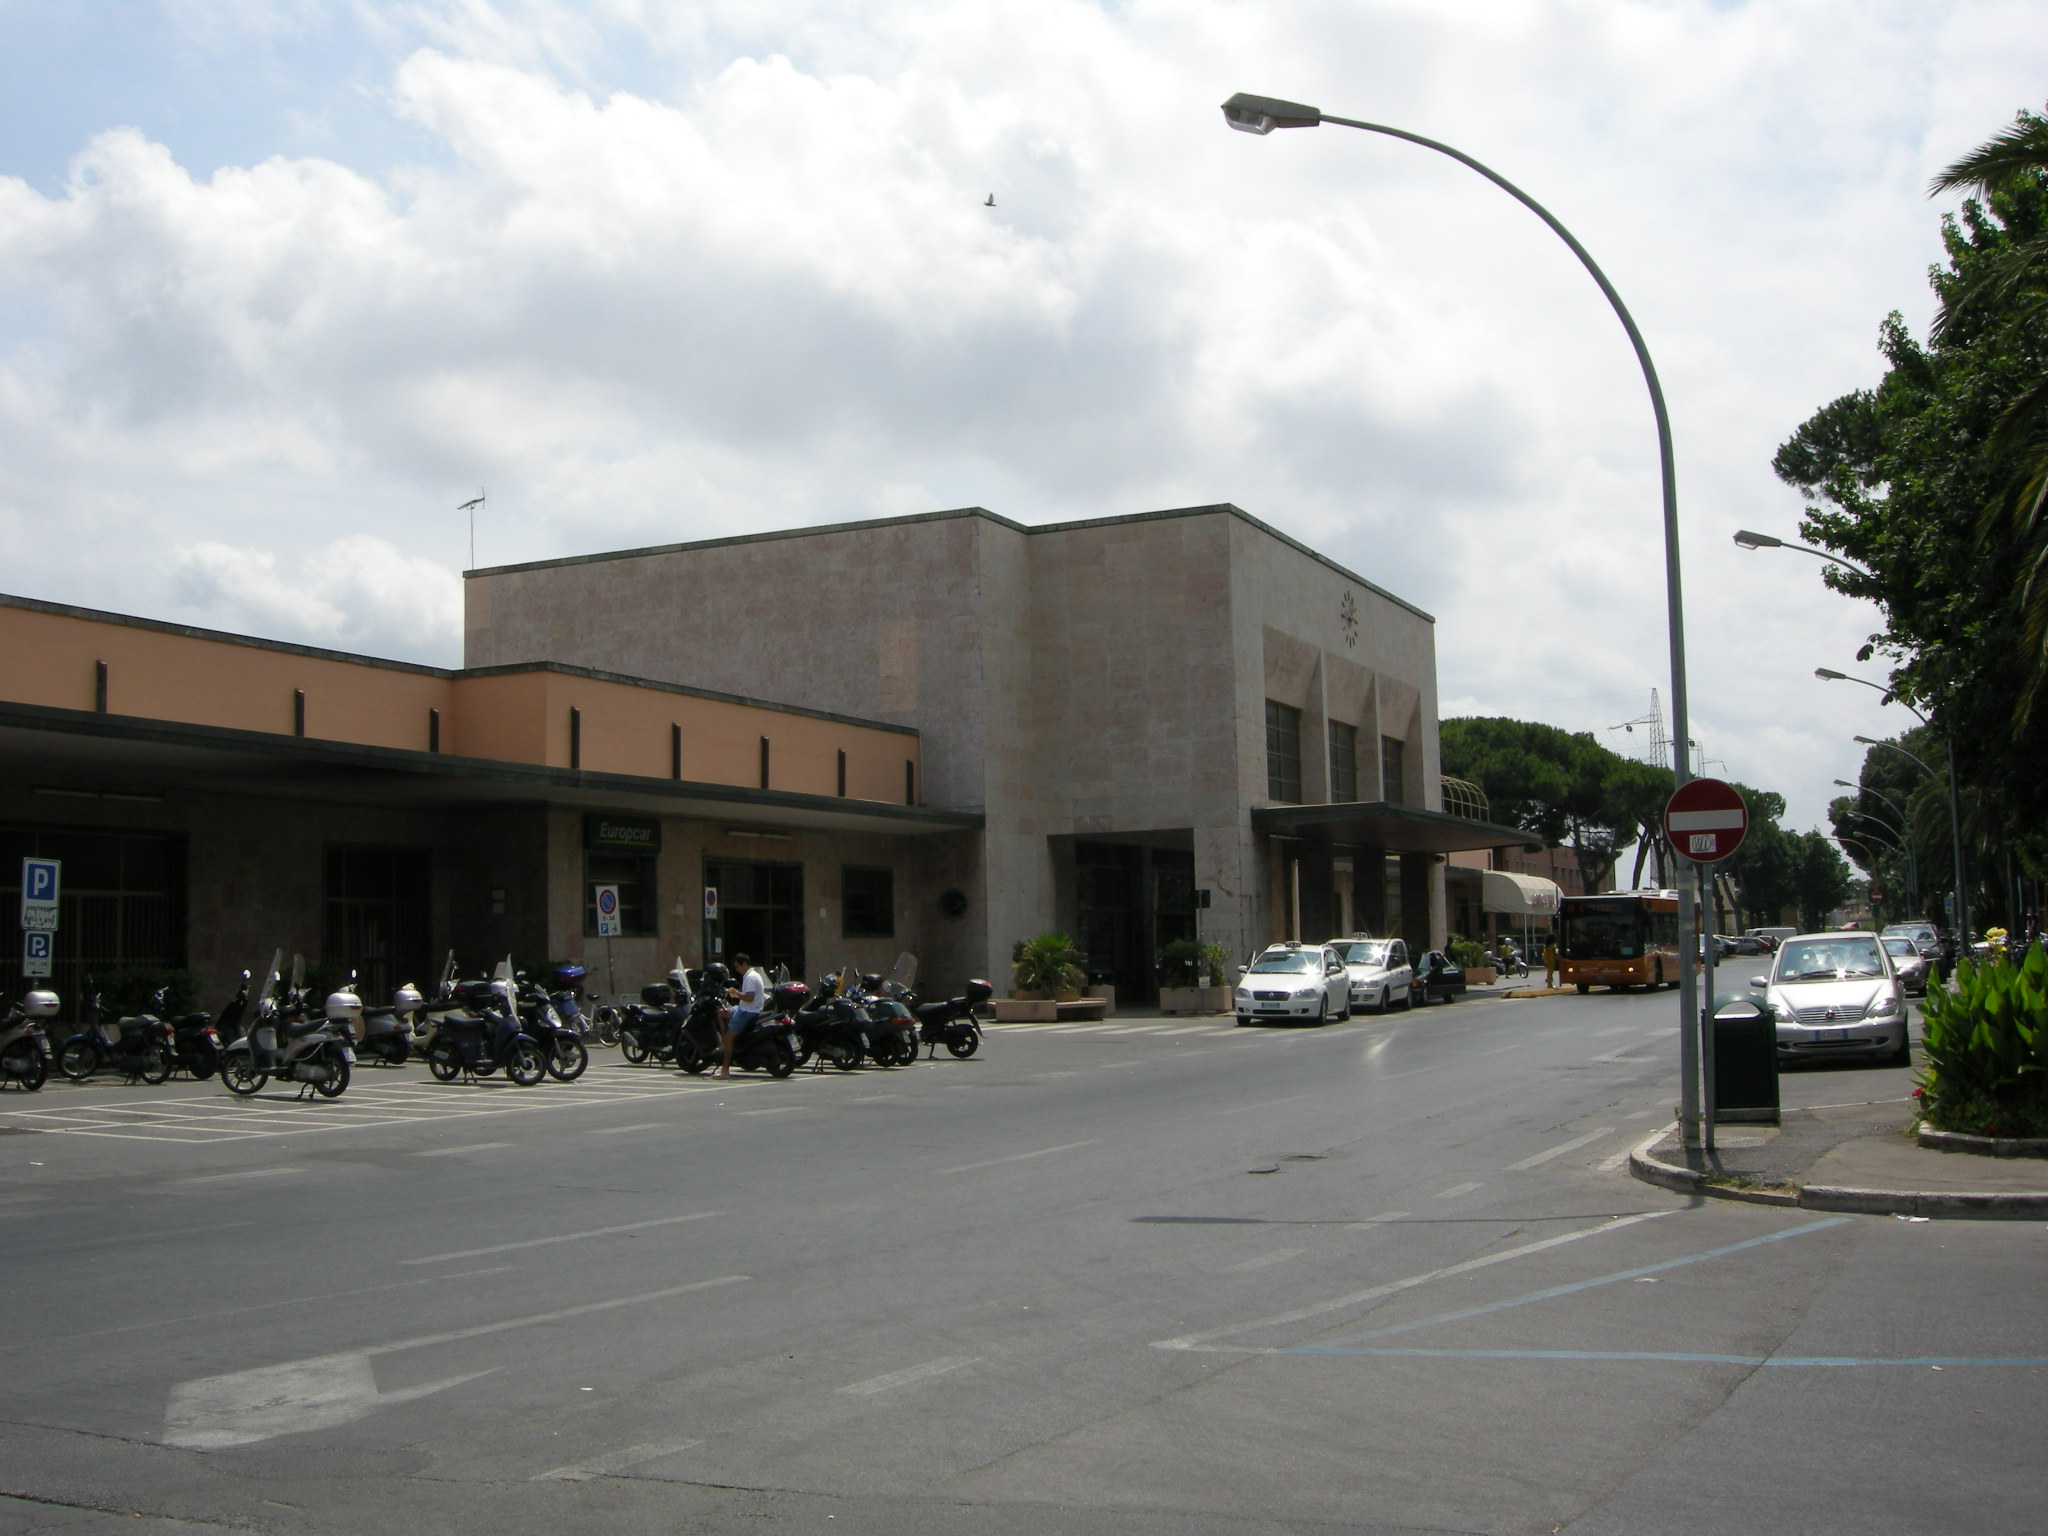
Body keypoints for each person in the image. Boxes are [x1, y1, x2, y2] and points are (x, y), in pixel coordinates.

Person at [718, 952, 766, 1077]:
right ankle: (723, 1041)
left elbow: (749, 997)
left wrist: (736, 993)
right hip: (745, 1008)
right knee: (721, 1012)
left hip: (747, 1011)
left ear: (744, 964)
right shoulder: (755, 974)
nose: (737, 970)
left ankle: (725, 1070)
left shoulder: (749, 977)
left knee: (729, 1038)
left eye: (738, 967)